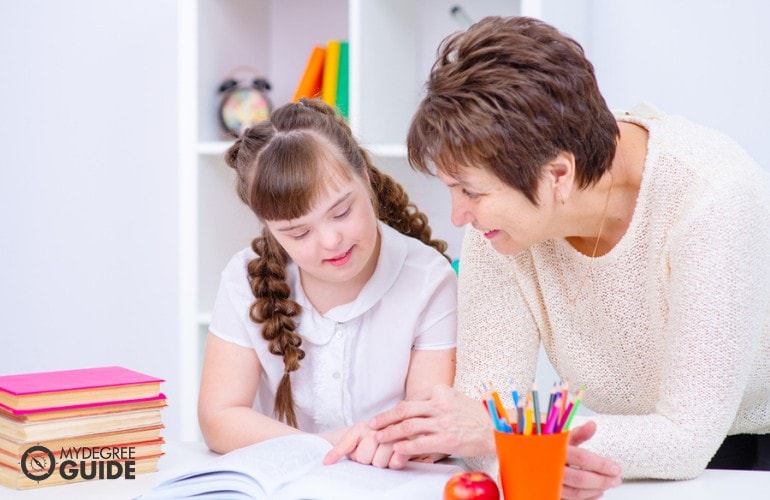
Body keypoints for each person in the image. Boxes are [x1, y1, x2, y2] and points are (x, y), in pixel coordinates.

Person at [336, 15, 770, 498]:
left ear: (559, 174)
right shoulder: (499, 223)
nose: (457, 216)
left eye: (470, 192)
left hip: (748, 457)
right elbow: (479, 420)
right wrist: (493, 441)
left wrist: (509, 438)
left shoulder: (712, 194)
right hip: (608, 453)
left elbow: (687, 439)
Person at [197, 98, 457, 469]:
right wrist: (325, 446)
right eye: (299, 232)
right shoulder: (243, 278)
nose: (331, 241)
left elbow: (427, 424)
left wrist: (392, 445)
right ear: (271, 229)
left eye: (342, 212)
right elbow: (218, 417)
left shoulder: (429, 279)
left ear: (365, 180)